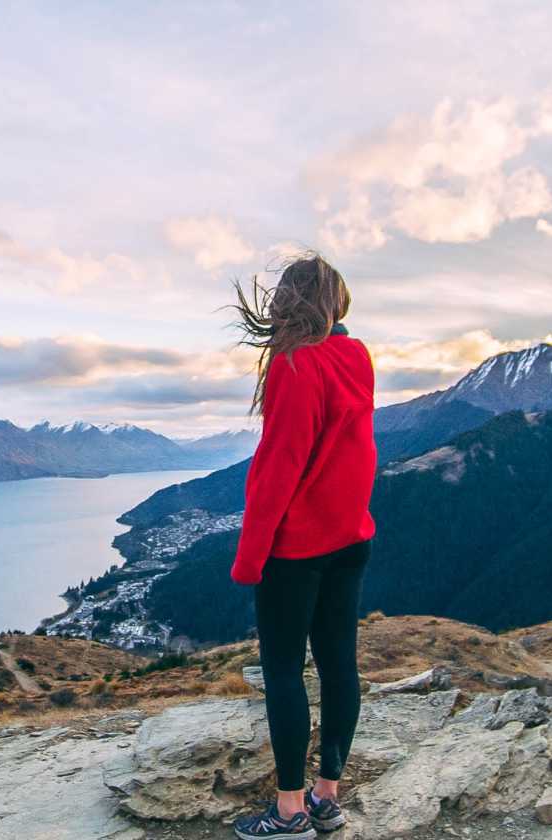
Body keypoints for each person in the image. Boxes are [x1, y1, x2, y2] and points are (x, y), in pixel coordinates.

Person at [224, 252, 377, 840]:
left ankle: (289, 812)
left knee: (284, 670)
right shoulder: (356, 357)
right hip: (351, 537)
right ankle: (327, 797)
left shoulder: (293, 367)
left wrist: (249, 558)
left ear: (288, 303)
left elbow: (277, 470)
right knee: (340, 665)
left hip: (298, 550)